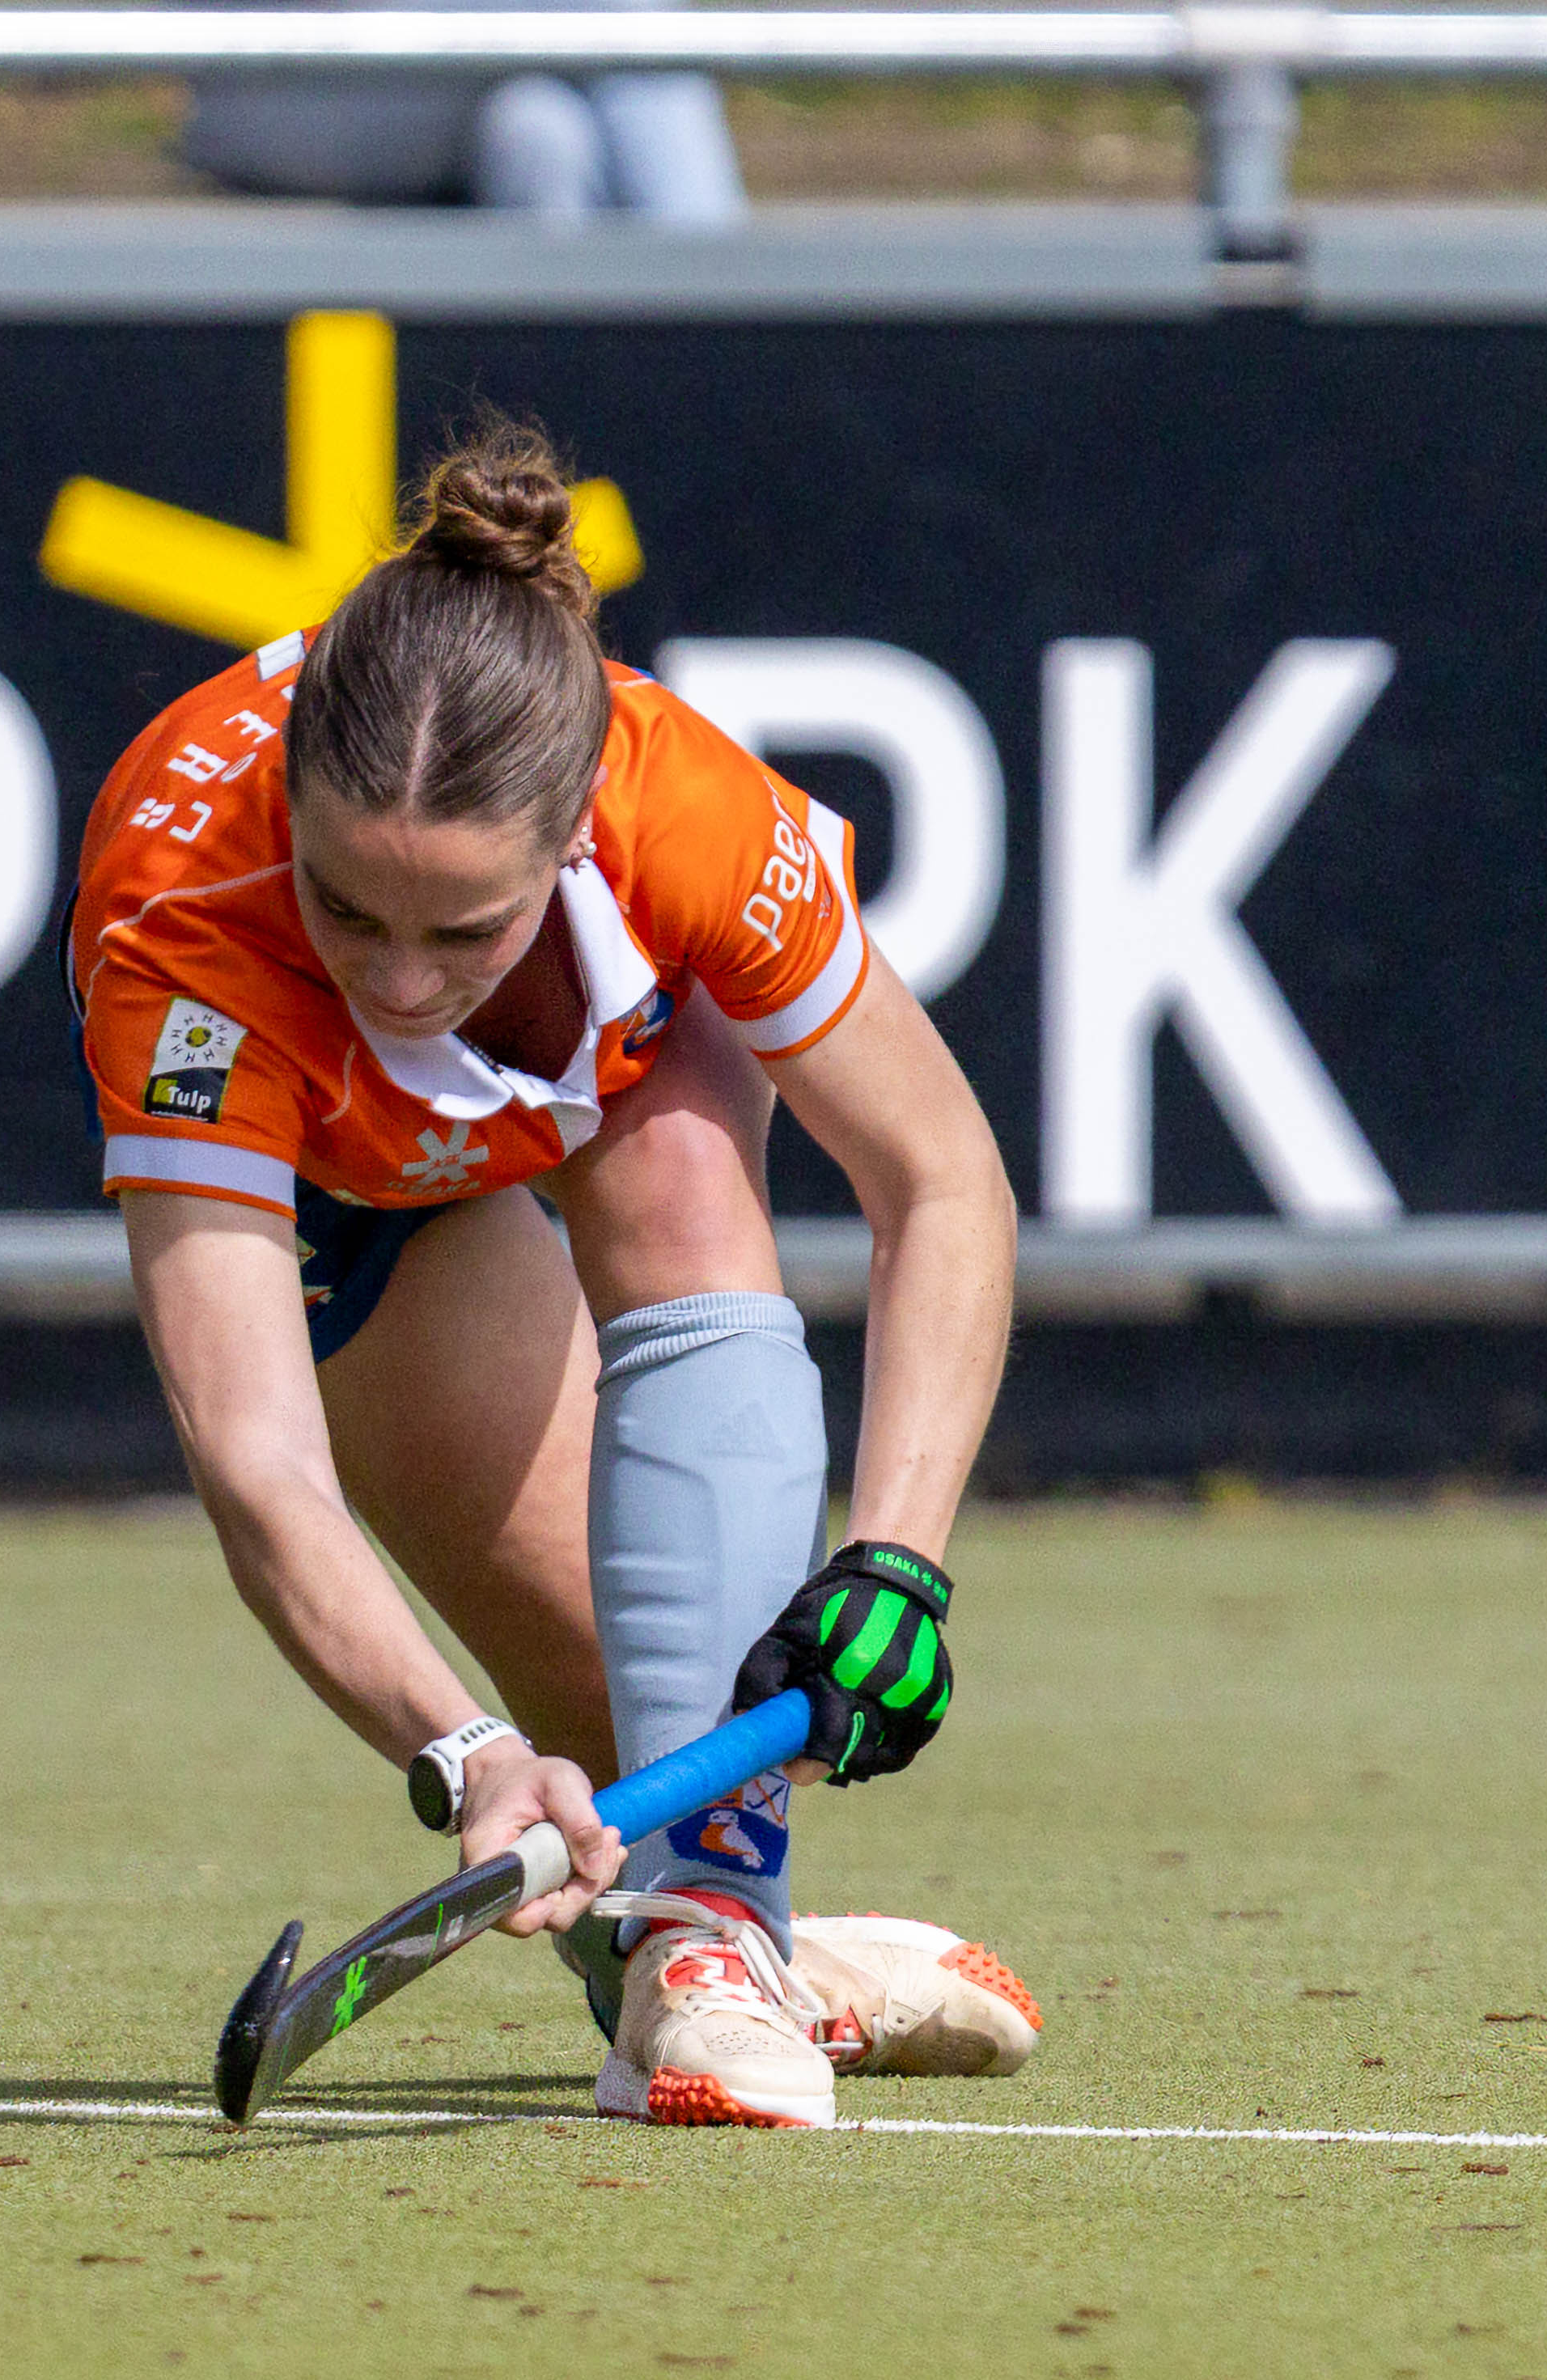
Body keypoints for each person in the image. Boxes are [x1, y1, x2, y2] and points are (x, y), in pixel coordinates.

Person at [69, 426, 1032, 2128]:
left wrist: (897, 1561)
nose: (398, 978)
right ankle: (725, 1937)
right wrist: (465, 1750)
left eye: (464, 929)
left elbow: (940, 1180)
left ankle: (711, 1943)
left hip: (621, 1098)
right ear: (288, 804)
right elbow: (256, 1457)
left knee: (679, 1187)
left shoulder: (684, 810)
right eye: (348, 911)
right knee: (628, 1711)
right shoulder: (185, 929)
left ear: (573, 833)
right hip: (353, 1194)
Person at [175, 0, 746, 227]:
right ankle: (724, 315)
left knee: (540, 128)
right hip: (280, 85)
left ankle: (580, 391)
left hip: (424, 89)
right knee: (619, 13)